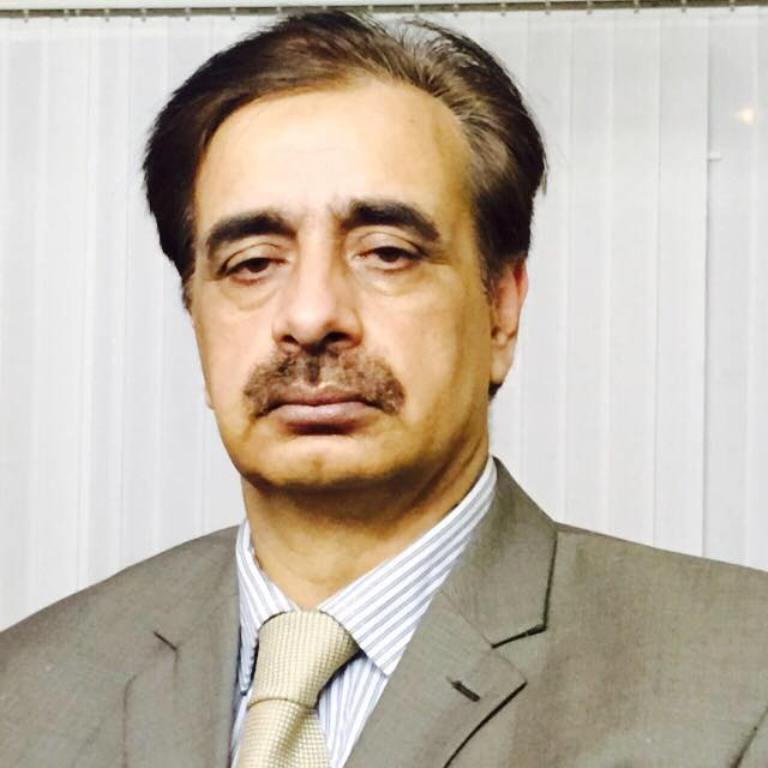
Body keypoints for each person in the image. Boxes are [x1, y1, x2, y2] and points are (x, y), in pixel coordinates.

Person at [1, 10, 766, 768]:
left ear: (501, 308)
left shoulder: (738, 682)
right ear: (195, 313)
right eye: (252, 263)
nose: (310, 317)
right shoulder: (28, 693)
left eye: (388, 252)